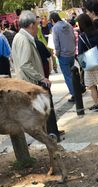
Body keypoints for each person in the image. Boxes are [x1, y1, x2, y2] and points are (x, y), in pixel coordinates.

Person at [11, 11, 61, 142]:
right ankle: (48, 142)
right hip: (31, 84)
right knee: (39, 116)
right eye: (37, 24)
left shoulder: (21, 37)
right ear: (31, 25)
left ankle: (48, 140)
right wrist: (41, 78)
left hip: (29, 83)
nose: (38, 27)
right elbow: (24, 64)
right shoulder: (23, 39)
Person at [50, 12, 76, 102]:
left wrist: (57, 54)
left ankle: (74, 94)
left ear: (52, 20)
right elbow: (73, 38)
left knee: (67, 76)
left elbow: (56, 43)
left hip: (63, 55)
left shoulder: (55, 28)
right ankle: (77, 90)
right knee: (73, 74)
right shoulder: (68, 25)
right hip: (72, 53)